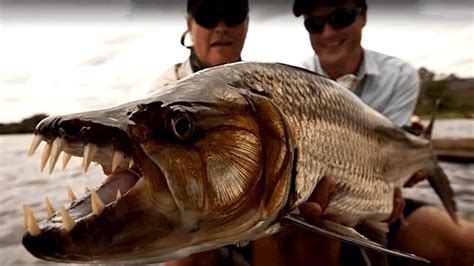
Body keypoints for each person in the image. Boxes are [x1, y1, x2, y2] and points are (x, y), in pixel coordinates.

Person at [292, 0, 474, 265]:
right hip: (315, 211)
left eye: (341, 17)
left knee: (466, 244)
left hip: (382, 197)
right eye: (315, 24)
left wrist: (405, 168)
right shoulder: (294, 79)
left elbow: (388, 158)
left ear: (363, 16)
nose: (328, 33)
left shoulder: (400, 75)